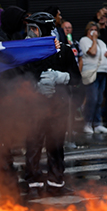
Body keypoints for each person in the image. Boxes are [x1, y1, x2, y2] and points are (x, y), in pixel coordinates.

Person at [21, 12, 75, 199]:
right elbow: (18, 77)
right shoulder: (27, 52)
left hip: (58, 107)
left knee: (56, 145)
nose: (31, 33)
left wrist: (61, 77)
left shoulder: (63, 50)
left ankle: (56, 184)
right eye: (29, 28)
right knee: (33, 145)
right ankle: (33, 185)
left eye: (35, 29)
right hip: (34, 108)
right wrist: (35, 85)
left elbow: (77, 79)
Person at [79, 21, 107, 134]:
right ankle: (87, 123)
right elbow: (92, 52)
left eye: (96, 30)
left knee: (99, 99)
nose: (94, 32)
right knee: (92, 99)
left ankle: (97, 123)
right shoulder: (84, 40)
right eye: (91, 30)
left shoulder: (101, 42)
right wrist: (94, 40)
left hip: (103, 72)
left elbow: (106, 53)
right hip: (91, 72)